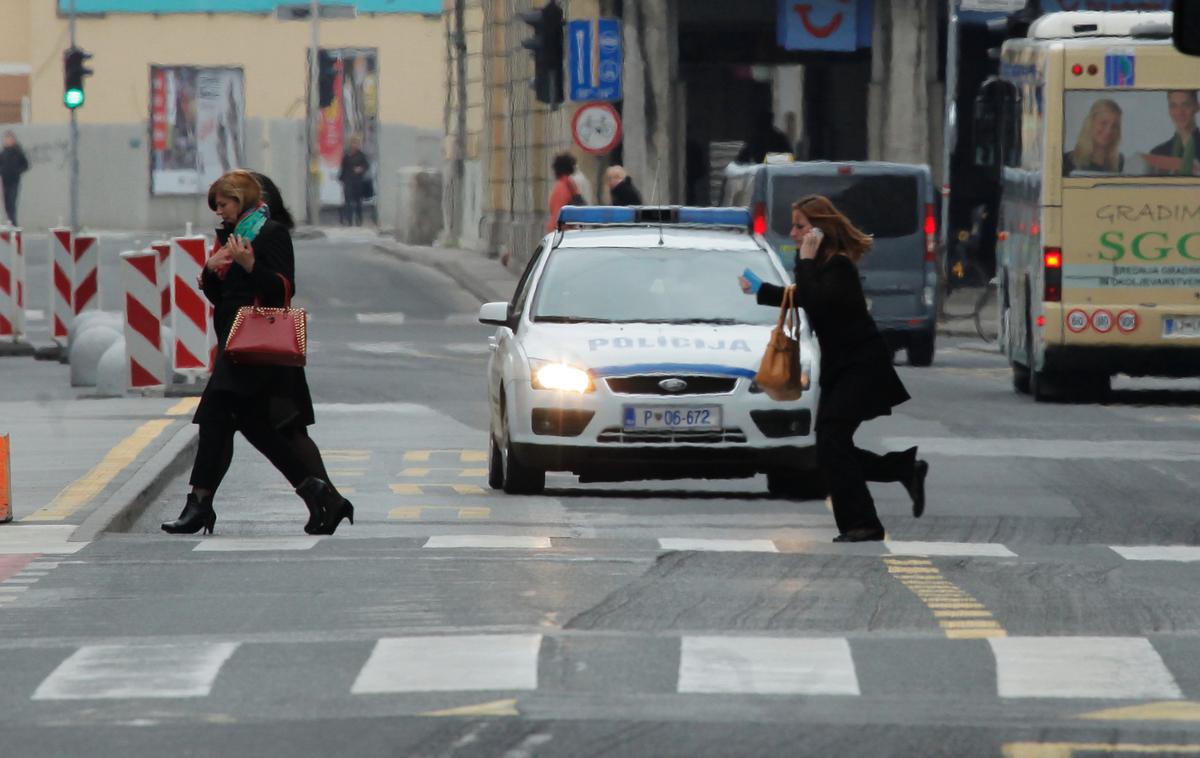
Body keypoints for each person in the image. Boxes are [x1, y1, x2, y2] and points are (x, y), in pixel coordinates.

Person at [162, 169, 353, 537]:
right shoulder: (230, 238)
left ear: (242, 200)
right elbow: (224, 297)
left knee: (222, 418)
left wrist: (249, 265)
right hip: (236, 345)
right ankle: (321, 496)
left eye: (224, 204)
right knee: (260, 426)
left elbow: (282, 290)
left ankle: (199, 504)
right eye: (216, 206)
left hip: (261, 350)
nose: (219, 212)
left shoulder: (270, 234)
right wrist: (211, 273)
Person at [739, 195, 928, 543]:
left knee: (831, 442)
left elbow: (816, 299)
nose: (793, 233)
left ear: (820, 228)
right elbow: (809, 295)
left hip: (861, 367)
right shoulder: (825, 265)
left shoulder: (837, 264)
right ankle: (900, 470)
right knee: (829, 446)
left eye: (800, 226)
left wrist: (805, 260)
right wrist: (763, 290)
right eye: (794, 226)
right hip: (844, 367)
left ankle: (864, 522)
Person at [1146, 90, 1200, 176]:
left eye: (1185, 105)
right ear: (1169, 110)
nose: (1179, 112)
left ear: (1197, 106)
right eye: (1173, 106)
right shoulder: (1158, 154)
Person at [1063, 99, 1124, 175]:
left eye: (1114, 126)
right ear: (1090, 124)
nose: (1109, 130)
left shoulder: (1121, 163)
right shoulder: (1066, 162)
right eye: (1103, 123)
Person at [546, 152, 584, 232]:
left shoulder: (562, 186)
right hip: (567, 232)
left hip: (562, 233)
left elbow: (557, 214)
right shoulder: (569, 185)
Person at [338, 134, 370, 226]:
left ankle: (359, 219)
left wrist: (361, 169)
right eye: (352, 143)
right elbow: (343, 167)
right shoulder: (346, 155)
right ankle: (349, 220)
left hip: (357, 181)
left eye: (355, 143)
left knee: (358, 201)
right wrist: (341, 179)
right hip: (348, 180)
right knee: (348, 201)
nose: (354, 145)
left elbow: (366, 166)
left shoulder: (361, 155)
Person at [0, 132, 29, 226]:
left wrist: (17, 171)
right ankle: (10, 223)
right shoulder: (3, 152)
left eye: (9, 139)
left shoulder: (17, 152)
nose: (6, 141)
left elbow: (25, 165)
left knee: (12, 203)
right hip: (5, 181)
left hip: (14, 181)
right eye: (5, 139)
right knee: (7, 204)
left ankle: (13, 224)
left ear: (13, 140)